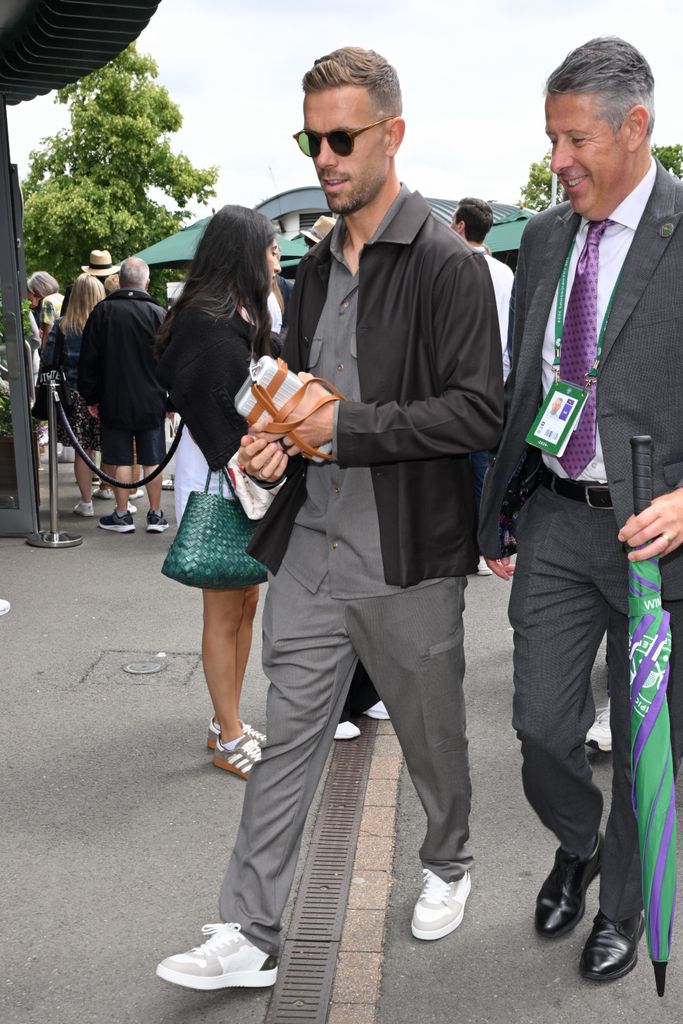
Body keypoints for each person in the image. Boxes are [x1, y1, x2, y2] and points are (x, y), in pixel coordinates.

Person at [157, 45, 503, 991]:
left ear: (392, 133)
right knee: (288, 745)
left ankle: (449, 862)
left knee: (433, 745)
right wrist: (274, 439)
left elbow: (479, 410)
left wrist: (340, 427)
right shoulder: (308, 266)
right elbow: (302, 392)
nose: (324, 156)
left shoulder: (446, 264)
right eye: (311, 139)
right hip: (308, 548)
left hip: (408, 560)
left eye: (341, 137)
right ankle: (250, 931)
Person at [478, 37, 683, 984]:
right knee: (538, 726)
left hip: (658, 542)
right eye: (550, 139)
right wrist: (499, 512)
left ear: (634, 128)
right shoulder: (549, 236)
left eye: (573, 140)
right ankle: (576, 842)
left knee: (648, 740)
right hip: (558, 521)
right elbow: (525, 390)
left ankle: (622, 903)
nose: (557, 162)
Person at [155, 206, 277, 778]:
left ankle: (224, 720)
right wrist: (246, 457)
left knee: (245, 598)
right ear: (244, 253)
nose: (274, 260)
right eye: (269, 250)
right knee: (225, 604)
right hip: (219, 471)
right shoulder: (209, 316)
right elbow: (202, 396)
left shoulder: (227, 310)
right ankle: (228, 733)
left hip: (233, 469)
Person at [78, 257, 169, 534]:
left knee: (120, 458)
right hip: (152, 399)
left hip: (113, 398)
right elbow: (172, 360)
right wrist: (172, 401)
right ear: (146, 282)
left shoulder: (102, 312)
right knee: (152, 458)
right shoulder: (159, 314)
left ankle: (121, 515)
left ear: (121, 279)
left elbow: (89, 360)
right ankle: (155, 515)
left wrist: (91, 397)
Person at [452, 197, 515, 577]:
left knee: (461, 465)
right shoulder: (505, 273)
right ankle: (484, 539)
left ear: (460, 226)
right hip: (497, 381)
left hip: (458, 383)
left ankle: (467, 540)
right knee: (484, 466)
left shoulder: (452, 265)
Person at [41, 273, 105, 515]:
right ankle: (113, 492)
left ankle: (86, 502)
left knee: (83, 449)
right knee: (108, 444)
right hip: (101, 394)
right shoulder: (104, 324)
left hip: (73, 396)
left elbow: (48, 358)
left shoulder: (62, 324)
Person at [27, 271, 63, 349]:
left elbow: (47, 334)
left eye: (35, 292)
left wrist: (44, 356)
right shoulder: (61, 298)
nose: (35, 295)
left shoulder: (48, 302)